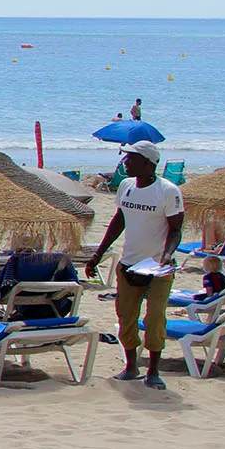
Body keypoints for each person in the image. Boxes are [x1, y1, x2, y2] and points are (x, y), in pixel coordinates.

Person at [85, 139, 183, 390]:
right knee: (126, 316)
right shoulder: (126, 186)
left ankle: (154, 370)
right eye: (126, 158)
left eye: (131, 159)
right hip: (129, 263)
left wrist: (168, 255)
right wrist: (98, 254)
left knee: (155, 319)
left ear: (149, 164)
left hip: (157, 267)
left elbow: (175, 230)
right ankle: (131, 366)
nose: (125, 163)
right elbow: (119, 221)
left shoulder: (168, 191)